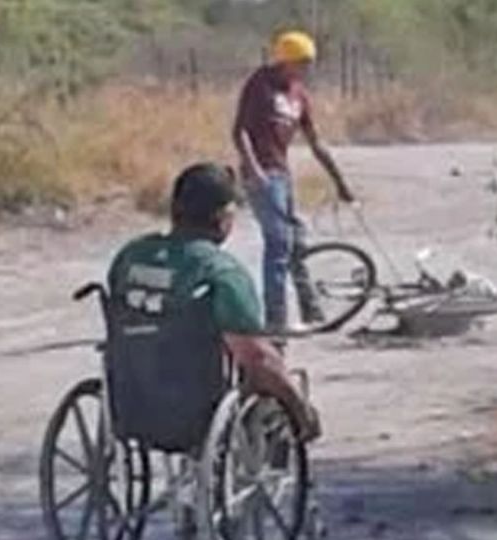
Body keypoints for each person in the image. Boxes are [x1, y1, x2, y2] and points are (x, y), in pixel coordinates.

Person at [107, 163, 321, 442]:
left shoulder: (131, 255)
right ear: (223, 217)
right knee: (261, 369)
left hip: (129, 400)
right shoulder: (220, 272)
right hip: (192, 406)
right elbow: (256, 357)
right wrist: (300, 408)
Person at [233, 30, 356, 332]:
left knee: (297, 242)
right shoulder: (261, 84)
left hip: (281, 175)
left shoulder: (298, 94)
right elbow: (240, 131)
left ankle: (311, 309)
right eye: (301, 63)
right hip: (262, 176)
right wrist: (254, 170)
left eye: (308, 64)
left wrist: (341, 183)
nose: (306, 69)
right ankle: (276, 322)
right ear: (285, 61)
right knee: (278, 245)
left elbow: (316, 142)